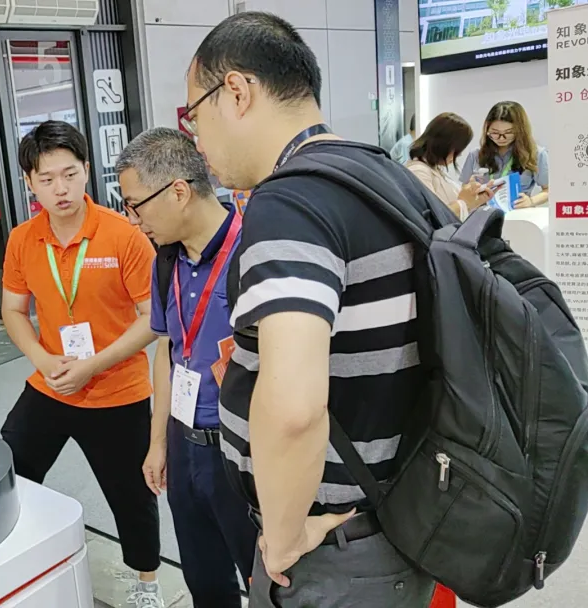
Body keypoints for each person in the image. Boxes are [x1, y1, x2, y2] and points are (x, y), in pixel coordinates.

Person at [181, 11, 436, 606]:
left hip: (335, 550)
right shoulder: (379, 174)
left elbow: (294, 408)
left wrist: (283, 536)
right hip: (396, 517)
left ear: (236, 92)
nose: (196, 139)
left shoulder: (290, 202)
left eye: (194, 115)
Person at [0, 121, 164, 608]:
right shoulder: (23, 239)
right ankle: (22, 561)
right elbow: (13, 310)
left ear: (87, 170)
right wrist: (42, 357)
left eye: (70, 174)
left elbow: (152, 318)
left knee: (132, 495)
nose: (61, 189)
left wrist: (94, 365)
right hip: (50, 385)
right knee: (10, 469)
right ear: (29, 182)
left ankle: (147, 583)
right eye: (47, 179)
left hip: (117, 390)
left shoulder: (123, 236)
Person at [116, 127, 258, 608]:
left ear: (178, 191)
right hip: (184, 446)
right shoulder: (164, 261)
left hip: (244, 453)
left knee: (267, 582)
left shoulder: (253, 254)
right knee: (205, 581)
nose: (134, 220)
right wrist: (159, 442)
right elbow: (169, 350)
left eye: (136, 206)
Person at [406, 112, 498, 218]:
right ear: (444, 145)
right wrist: (464, 201)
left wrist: (476, 199)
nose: (459, 155)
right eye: (458, 150)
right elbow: (432, 219)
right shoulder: (419, 172)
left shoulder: (434, 170)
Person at [460, 101, 549, 208]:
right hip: (483, 213)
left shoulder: (536, 154)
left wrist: (530, 201)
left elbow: (548, 190)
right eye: (495, 132)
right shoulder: (475, 155)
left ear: (521, 130)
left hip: (518, 213)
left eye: (508, 132)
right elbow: (464, 190)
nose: (501, 138)